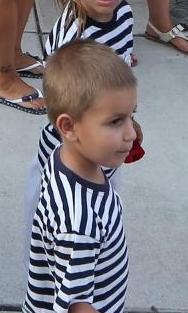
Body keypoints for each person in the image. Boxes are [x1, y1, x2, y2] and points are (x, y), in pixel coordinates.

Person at [22, 0, 137, 222]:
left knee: (104, 217)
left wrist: (126, 120)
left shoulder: (125, 16)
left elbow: (121, 75)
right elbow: (60, 102)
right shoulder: (72, 37)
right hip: (69, 154)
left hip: (106, 145)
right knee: (63, 224)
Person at [24, 41, 135, 313]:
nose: (131, 133)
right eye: (115, 121)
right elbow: (76, 305)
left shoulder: (65, 156)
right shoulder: (79, 223)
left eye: (131, 116)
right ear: (69, 126)